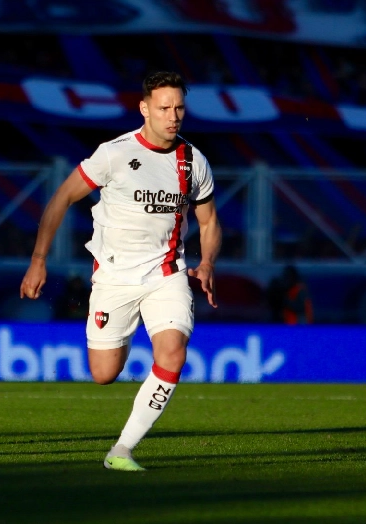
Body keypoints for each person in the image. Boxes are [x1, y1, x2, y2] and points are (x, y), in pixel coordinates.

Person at [20, 71, 222, 472]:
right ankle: (122, 338)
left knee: (173, 354)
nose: (173, 116)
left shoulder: (193, 161)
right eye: (164, 108)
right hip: (114, 278)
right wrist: (39, 259)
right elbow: (61, 198)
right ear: (144, 108)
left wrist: (207, 263)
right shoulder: (113, 153)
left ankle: (122, 450)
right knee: (103, 373)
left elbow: (210, 221)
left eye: (179, 107)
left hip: (167, 273)